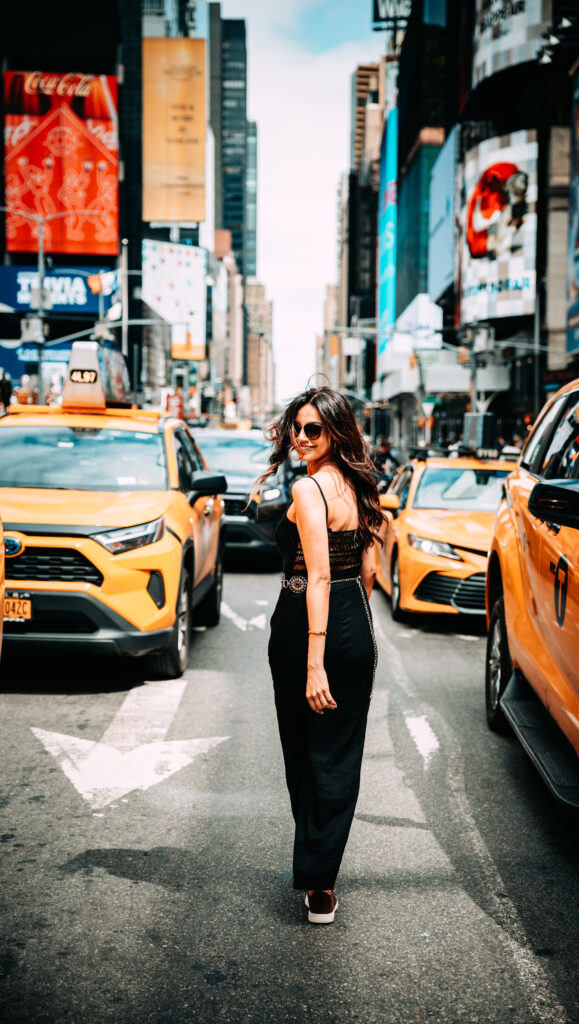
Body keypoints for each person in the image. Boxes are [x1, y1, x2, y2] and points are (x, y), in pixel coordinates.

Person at [260, 386, 385, 925]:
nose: (303, 438)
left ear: (335, 432)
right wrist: (354, 628)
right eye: (297, 428)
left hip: (307, 624)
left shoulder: (310, 489)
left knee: (304, 750)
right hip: (355, 622)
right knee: (338, 755)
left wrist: (316, 661)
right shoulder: (361, 484)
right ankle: (321, 878)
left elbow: (318, 576)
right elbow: (370, 571)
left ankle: (316, 881)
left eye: (314, 429)